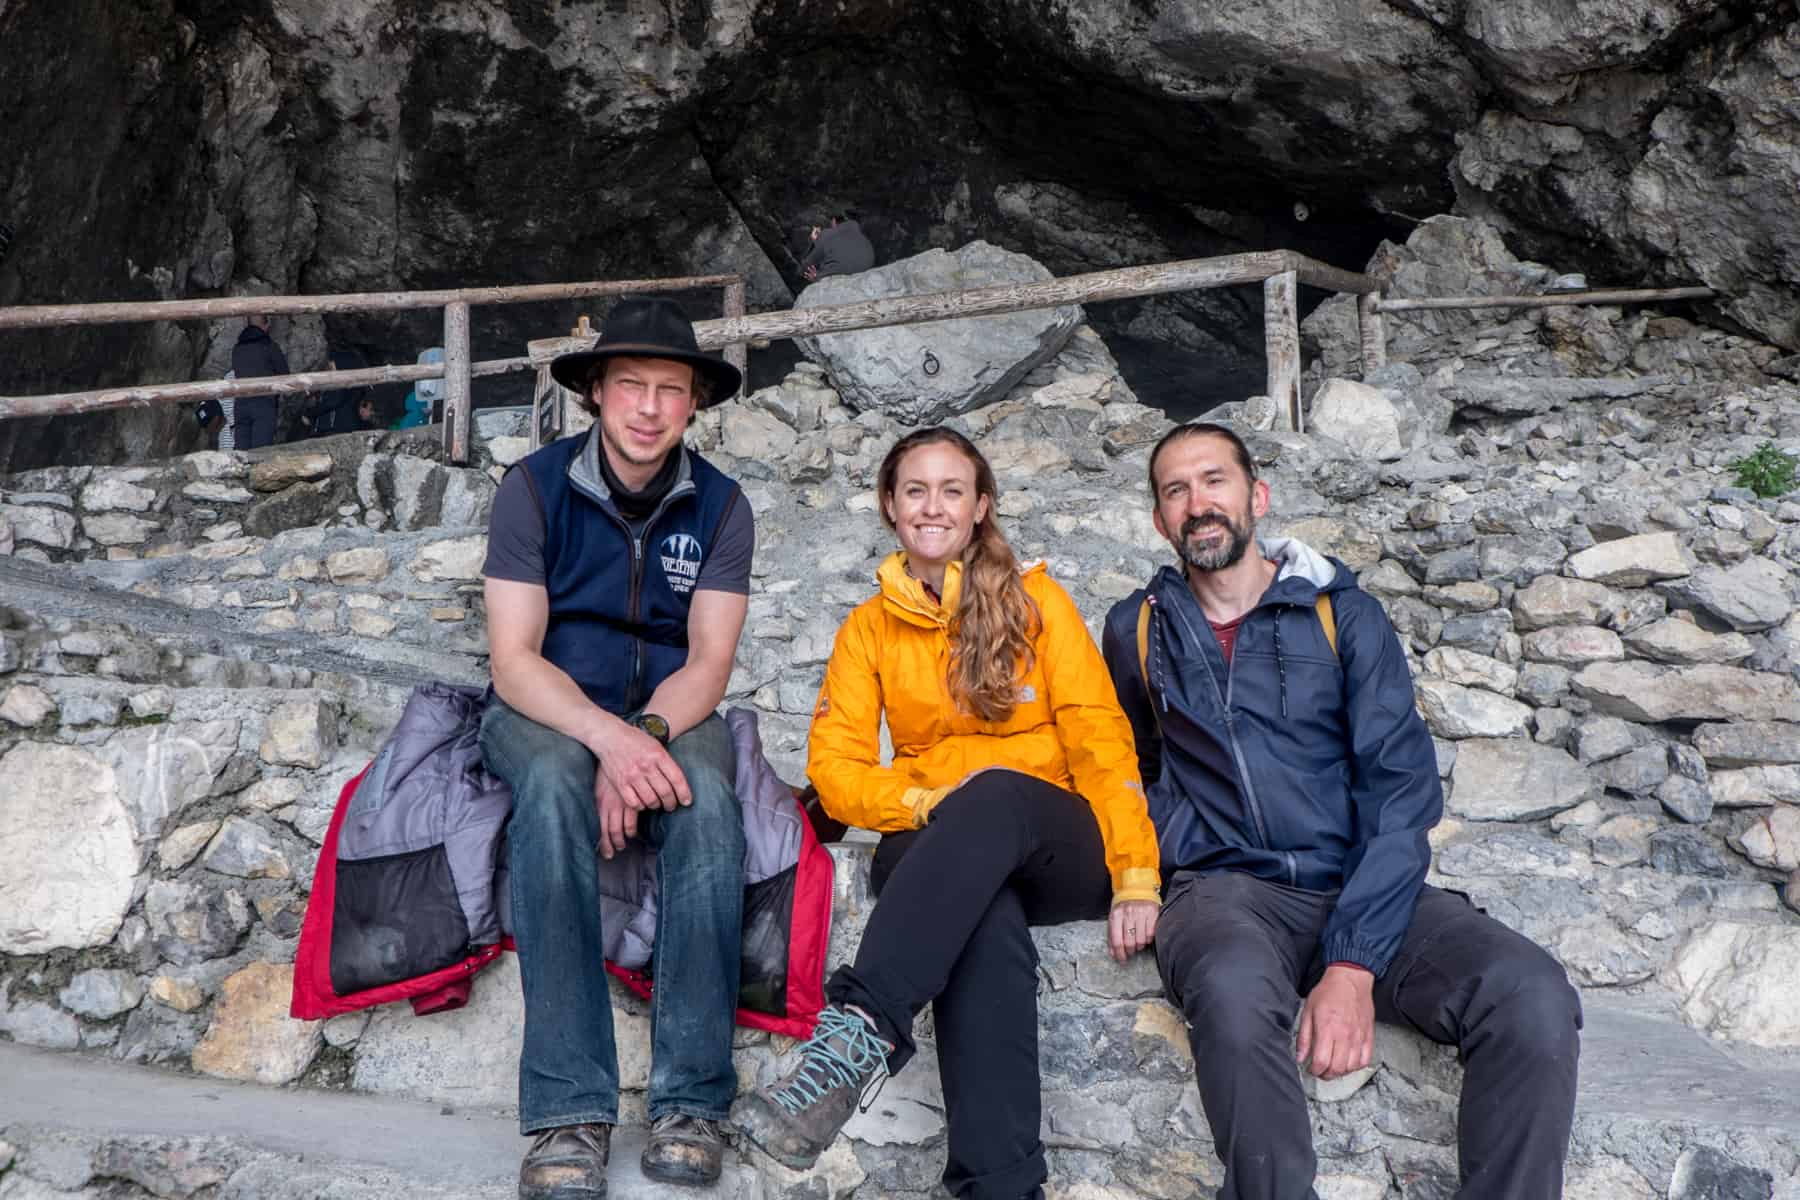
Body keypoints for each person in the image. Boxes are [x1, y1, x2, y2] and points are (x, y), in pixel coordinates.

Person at [1100, 422, 1582, 1200]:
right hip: (1224, 893)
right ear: (1159, 519)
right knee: (1231, 991)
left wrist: (1353, 963)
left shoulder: (1342, 616)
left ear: (1256, 496)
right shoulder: (1138, 628)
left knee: (1529, 993)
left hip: (1355, 882)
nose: (1199, 503)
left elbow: (1402, 793)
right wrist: (1151, 862)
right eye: (1176, 490)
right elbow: (1125, 760)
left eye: (1214, 480)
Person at [732, 427, 1163, 1200]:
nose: (934, 506)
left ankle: (859, 1032)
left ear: (980, 507)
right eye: (916, 490)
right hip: (938, 839)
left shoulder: (1038, 603)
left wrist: (1136, 872)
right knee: (981, 930)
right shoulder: (868, 629)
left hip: (1054, 837)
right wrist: (926, 802)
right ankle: (999, 1188)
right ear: (891, 507)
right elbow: (835, 773)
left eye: (952, 490)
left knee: (993, 794)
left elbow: (1101, 738)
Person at [478, 296, 755, 1199]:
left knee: (709, 804)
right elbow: (514, 660)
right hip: (548, 706)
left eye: (668, 391)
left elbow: (710, 661)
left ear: (693, 405)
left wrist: (644, 741)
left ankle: (690, 1101)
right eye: (629, 386)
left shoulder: (721, 505)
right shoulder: (531, 487)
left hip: (669, 711)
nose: (647, 407)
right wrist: (605, 743)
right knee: (555, 786)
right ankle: (569, 1108)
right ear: (595, 392)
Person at [230, 314, 288, 449]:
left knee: (241, 452)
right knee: (260, 452)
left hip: (240, 404)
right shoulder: (269, 346)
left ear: (247, 325)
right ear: (266, 325)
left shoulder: (236, 348)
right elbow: (285, 375)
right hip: (263, 403)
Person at [799, 211, 875, 282]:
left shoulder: (828, 234)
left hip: (837, 281)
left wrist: (814, 242)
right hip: (865, 278)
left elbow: (805, 268)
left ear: (834, 221)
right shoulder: (862, 236)